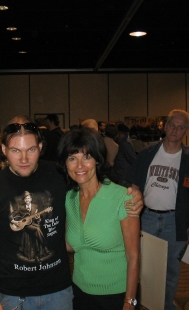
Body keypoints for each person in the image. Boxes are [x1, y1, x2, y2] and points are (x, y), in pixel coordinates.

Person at [0, 115, 143, 310]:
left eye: (31, 150)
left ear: (41, 148)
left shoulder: (60, 176)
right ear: (3, 150)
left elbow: (94, 184)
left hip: (59, 292)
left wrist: (134, 194)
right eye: (16, 150)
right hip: (13, 294)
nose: (24, 158)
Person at [125, 109, 189, 310]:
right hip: (147, 218)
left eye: (180, 127)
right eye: (172, 125)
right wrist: (130, 217)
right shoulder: (147, 154)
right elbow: (134, 187)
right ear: (165, 126)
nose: (175, 130)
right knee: (142, 268)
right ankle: (140, 304)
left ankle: (165, 305)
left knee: (171, 270)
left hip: (175, 222)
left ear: (186, 131)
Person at [57, 127, 140, 310]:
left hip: (117, 295)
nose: (80, 166)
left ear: (97, 159)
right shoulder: (69, 199)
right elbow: (72, 244)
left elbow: (133, 255)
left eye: (86, 157)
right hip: (80, 292)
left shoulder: (122, 198)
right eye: (72, 158)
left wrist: (129, 301)